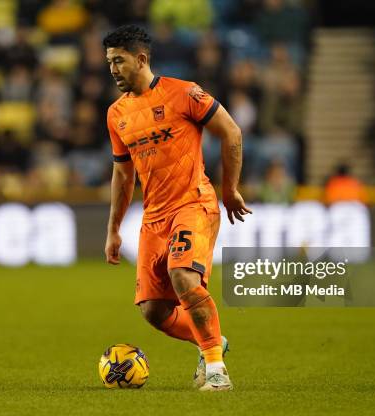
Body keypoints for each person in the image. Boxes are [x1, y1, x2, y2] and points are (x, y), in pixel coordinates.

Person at [102, 25, 251, 391]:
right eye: (109, 62)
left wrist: (228, 190)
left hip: (194, 202)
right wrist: (113, 229)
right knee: (153, 311)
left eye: (119, 61)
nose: (113, 69)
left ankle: (216, 369)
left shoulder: (184, 94)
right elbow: (123, 176)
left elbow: (231, 132)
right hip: (154, 216)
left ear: (141, 59)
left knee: (183, 275)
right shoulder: (116, 114)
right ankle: (211, 340)